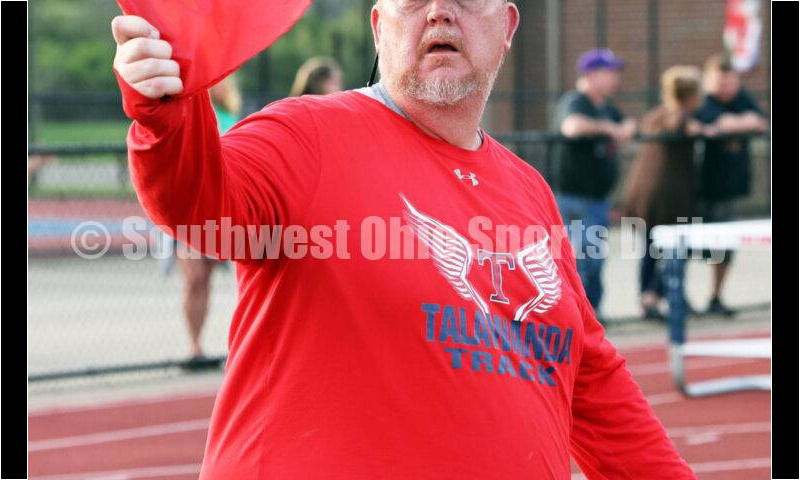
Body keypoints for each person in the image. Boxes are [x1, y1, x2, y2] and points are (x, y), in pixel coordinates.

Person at [111, 2, 694, 478]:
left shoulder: (527, 190)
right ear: (378, 25)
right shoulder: (306, 134)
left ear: (508, 26)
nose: (440, 12)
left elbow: (588, 376)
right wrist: (165, 112)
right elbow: (197, 205)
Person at [551, 48, 637, 316]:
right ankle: (577, 314)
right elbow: (572, 127)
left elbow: (628, 124)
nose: (615, 79)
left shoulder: (607, 107)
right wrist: (610, 129)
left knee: (594, 259)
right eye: (609, 73)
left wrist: (626, 127)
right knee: (578, 259)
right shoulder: (576, 101)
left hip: (598, 199)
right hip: (574, 197)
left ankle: (590, 313)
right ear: (591, 74)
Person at [623, 66, 705, 321]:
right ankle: (655, 295)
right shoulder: (680, 116)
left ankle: (653, 295)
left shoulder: (653, 115)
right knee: (677, 246)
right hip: (669, 196)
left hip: (641, 191)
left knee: (650, 247)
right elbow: (678, 123)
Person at [172, 75, 242, 368]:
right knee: (195, 279)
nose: (221, 86)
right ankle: (195, 345)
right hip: (192, 212)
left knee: (235, 281)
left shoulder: (231, 117)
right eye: (216, 80)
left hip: (225, 212)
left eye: (225, 81)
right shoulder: (189, 111)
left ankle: (237, 347)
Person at [694, 54, 767, 316]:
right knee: (684, 246)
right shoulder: (701, 102)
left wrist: (734, 124)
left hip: (727, 189)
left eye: (730, 82)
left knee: (723, 248)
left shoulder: (742, 98)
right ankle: (673, 298)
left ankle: (715, 296)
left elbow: (760, 121)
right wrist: (734, 123)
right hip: (696, 190)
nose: (725, 88)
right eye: (720, 82)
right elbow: (717, 121)